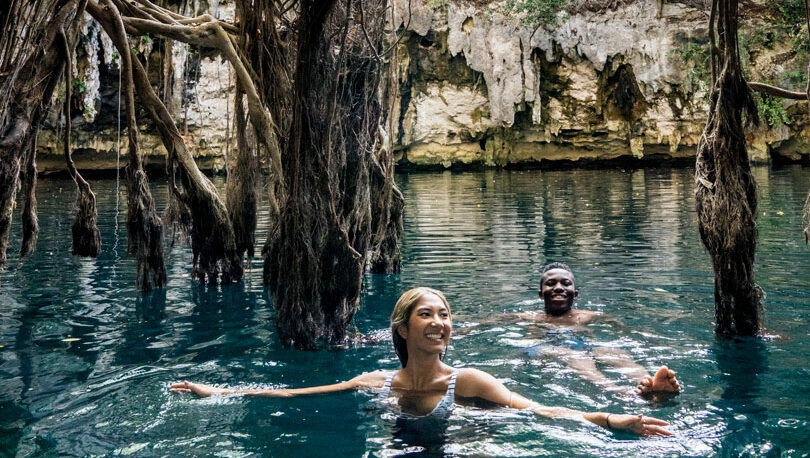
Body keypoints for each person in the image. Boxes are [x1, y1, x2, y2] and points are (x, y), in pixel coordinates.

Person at [171, 287, 673, 437]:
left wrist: (611, 420)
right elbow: (296, 395)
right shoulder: (375, 381)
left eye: (446, 315)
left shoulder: (469, 381)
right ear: (402, 329)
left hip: (468, 442)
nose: (440, 322)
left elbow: (540, 411)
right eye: (426, 314)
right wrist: (218, 392)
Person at [512, 262, 681, 397]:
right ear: (541, 294)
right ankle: (619, 391)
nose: (558, 287)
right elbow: (489, 322)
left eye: (565, 283)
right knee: (575, 356)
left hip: (584, 347)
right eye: (550, 283)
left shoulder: (589, 316)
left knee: (616, 353)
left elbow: (626, 331)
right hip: (544, 349)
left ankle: (652, 385)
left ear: (575, 294)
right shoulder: (529, 317)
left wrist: (649, 336)